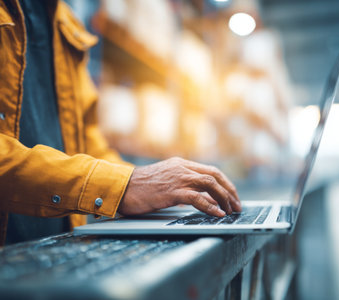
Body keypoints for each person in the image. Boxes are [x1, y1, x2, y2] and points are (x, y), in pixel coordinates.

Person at [0, 0, 241, 245]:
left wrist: (150, 185)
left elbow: (87, 143)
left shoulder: (64, 22)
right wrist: (121, 186)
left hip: (53, 247)